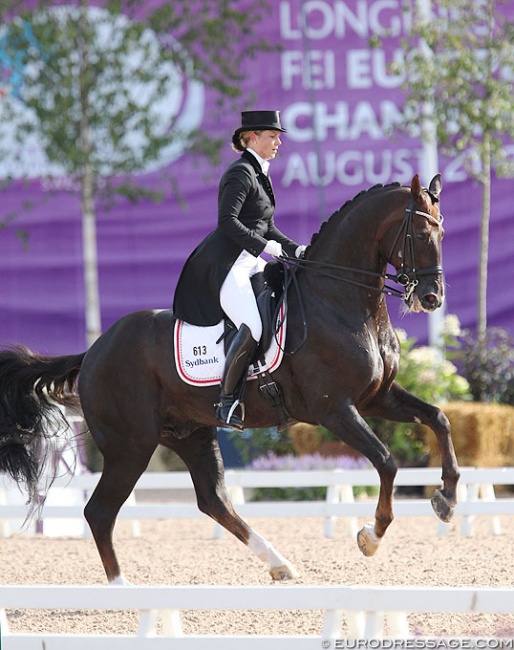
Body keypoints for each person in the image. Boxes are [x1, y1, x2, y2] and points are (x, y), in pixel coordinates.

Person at [173, 110, 306, 430]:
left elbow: (267, 226)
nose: (278, 141)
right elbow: (227, 222)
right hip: (226, 264)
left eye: (279, 136)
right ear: (252, 138)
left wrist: (295, 249)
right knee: (253, 324)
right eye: (272, 136)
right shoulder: (240, 173)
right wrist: (264, 247)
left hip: (251, 261)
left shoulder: (261, 174)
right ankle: (227, 402)